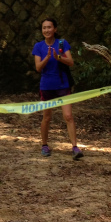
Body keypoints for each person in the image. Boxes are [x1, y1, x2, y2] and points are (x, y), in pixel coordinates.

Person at [32, 16, 83, 160]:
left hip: (63, 84)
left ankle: (75, 147)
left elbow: (71, 62)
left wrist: (58, 57)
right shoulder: (38, 46)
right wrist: (48, 57)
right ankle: (44, 145)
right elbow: (38, 68)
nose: (47, 30)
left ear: (55, 29)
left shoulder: (62, 43)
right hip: (46, 86)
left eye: (49, 27)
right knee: (47, 117)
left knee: (68, 116)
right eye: (44, 28)